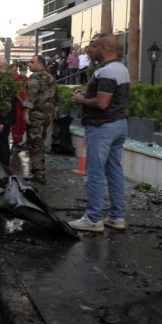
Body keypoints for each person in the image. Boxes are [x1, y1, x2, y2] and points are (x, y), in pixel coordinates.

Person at [69, 33, 130, 232]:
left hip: (102, 127)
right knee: (115, 172)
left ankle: (93, 219)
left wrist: (80, 101)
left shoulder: (107, 71)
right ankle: (117, 217)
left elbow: (102, 103)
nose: (91, 50)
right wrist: (87, 95)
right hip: (119, 124)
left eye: (94, 46)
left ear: (104, 48)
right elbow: (109, 98)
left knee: (95, 173)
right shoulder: (122, 69)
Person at [21, 55, 58, 185]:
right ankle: (38, 171)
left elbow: (31, 97)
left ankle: (39, 173)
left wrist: (26, 113)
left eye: (32, 62)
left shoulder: (35, 78)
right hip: (47, 116)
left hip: (37, 115)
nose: (29, 64)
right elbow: (56, 97)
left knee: (35, 143)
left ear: (41, 64)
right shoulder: (51, 77)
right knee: (40, 141)